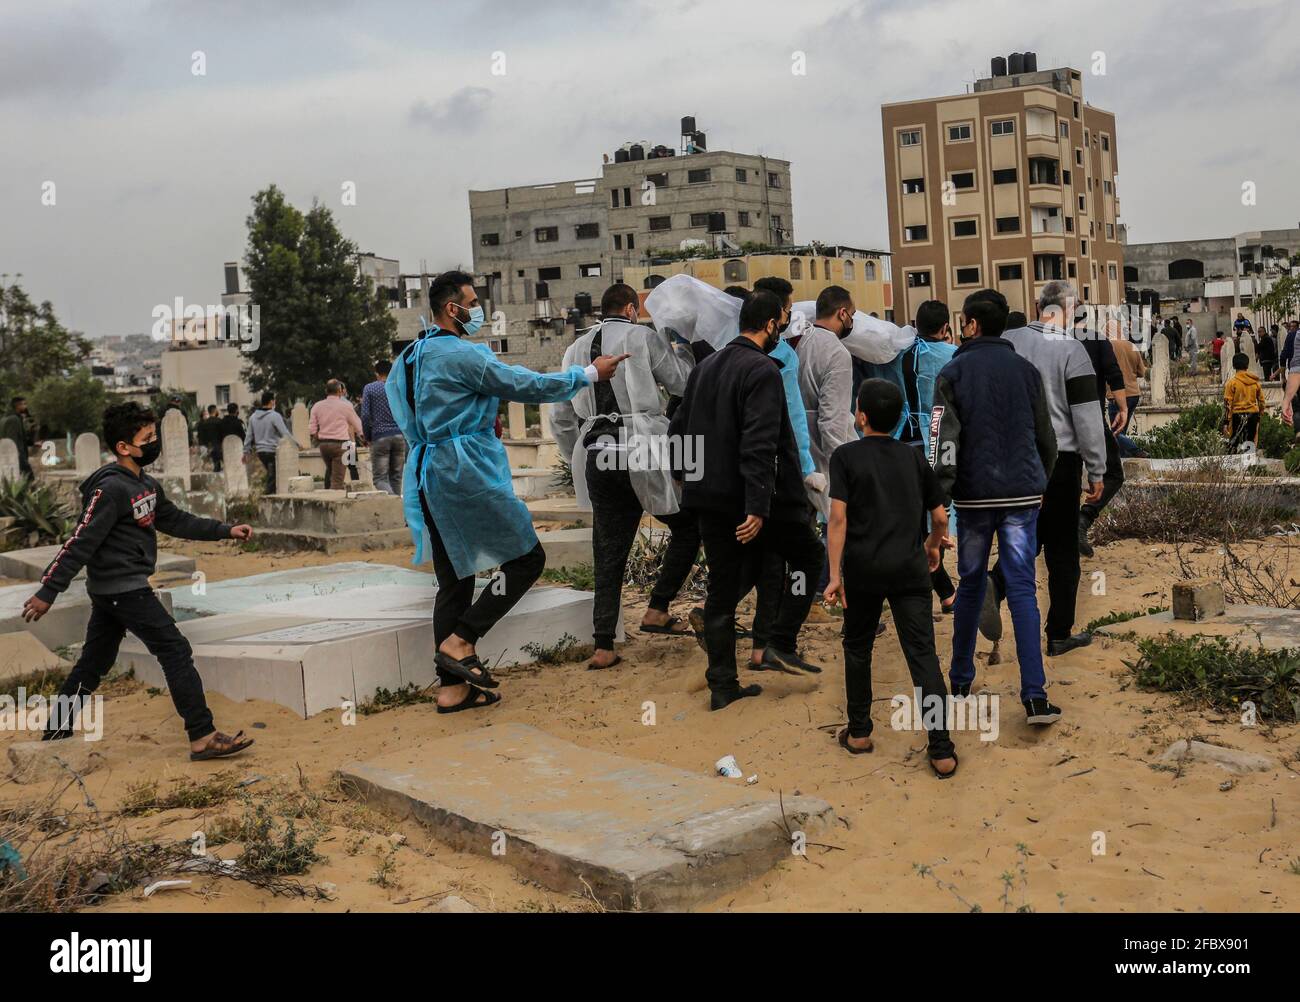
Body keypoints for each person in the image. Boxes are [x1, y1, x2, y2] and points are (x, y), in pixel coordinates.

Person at [386, 270, 627, 713]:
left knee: (454, 579)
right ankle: (462, 641)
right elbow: (524, 384)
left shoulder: (412, 356)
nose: (477, 309)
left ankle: (451, 689)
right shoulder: (462, 355)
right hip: (465, 473)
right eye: (472, 301)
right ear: (452, 308)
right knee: (527, 558)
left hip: (428, 474)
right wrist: (589, 373)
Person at [22, 402, 255, 760]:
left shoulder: (145, 484)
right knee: (175, 650)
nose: (153, 443)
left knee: (93, 664)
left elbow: (177, 521)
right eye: (147, 438)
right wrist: (48, 590)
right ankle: (202, 735)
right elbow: (81, 541)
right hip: (124, 590)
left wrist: (225, 530)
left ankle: (55, 735)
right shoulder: (111, 490)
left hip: (117, 592)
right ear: (123, 447)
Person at [668, 290, 825, 709]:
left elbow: (677, 430)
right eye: (783, 321)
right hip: (753, 502)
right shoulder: (761, 370)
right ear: (771, 324)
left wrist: (686, 480)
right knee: (809, 558)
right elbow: (760, 443)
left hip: (709, 500)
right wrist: (757, 507)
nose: (784, 328)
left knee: (725, 587)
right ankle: (779, 641)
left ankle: (723, 685)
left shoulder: (704, 368)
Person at [930, 289, 1062, 725]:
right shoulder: (1026, 372)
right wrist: (1038, 480)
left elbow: (941, 442)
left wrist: (939, 498)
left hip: (972, 498)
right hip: (1022, 496)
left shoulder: (952, 372)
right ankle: (1035, 696)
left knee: (969, 584)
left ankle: (961, 681)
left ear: (970, 324)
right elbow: (1048, 438)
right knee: (1023, 588)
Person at [551, 283, 697, 668]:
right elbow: (682, 383)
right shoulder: (642, 337)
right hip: (641, 445)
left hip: (597, 448)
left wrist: (575, 457)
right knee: (687, 525)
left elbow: (560, 417)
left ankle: (603, 645)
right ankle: (658, 608)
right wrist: (683, 351)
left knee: (608, 547)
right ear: (632, 309)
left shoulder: (574, 348)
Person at [823, 378, 957, 777]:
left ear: (860, 415)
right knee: (923, 658)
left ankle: (860, 732)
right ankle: (942, 750)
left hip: (864, 570)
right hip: (909, 569)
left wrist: (834, 575)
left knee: (858, 647)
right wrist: (933, 546)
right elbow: (939, 517)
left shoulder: (844, 458)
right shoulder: (914, 458)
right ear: (900, 418)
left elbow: (838, 519)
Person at [990, 281, 1106, 657]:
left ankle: (993, 585)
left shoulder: (1007, 341)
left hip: (1009, 457)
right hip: (1059, 459)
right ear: (1070, 311)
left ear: (1039, 305)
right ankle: (1058, 633)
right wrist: (1097, 469)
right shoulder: (1072, 350)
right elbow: (1087, 416)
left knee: (1026, 535)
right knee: (1061, 549)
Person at [1071, 306, 1126, 558]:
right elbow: (1114, 375)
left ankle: (1060, 532)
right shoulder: (1097, 340)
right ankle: (1083, 520)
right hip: (1092, 416)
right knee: (1113, 473)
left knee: (1064, 477)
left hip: (1058, 422)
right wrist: (1122, 407)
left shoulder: (1054, 340)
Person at [361, 359, 406, 495]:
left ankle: (394, 500)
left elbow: (365, 415)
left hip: (380, 435)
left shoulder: (370, 388)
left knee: (380, 479)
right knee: (396, 477)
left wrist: (367, 436)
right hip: (400, 435)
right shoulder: (399, 387)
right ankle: (398, 510)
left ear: (377, 373)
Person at [309, 379, 362, 490]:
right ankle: (340, 496)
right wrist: (364, 437)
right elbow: (357, 425)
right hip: (344, 443)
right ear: (340, 391)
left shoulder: (317, 406)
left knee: (331, 471)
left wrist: (317, 436)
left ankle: (328, 491)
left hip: (325, 444)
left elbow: (312, 429)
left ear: (326, 391)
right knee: (343, 474)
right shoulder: (346, 405)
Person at [244, 391, 291, 493]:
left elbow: (248, 436)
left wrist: (246, 451)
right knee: (273, 476)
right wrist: (296, 444)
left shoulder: (253, 417)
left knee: (273, 474)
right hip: (273, 450)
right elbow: (285, 433)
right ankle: (268, 497)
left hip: (261, 452)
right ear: (271, 401)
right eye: (274, 400)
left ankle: (270, 494)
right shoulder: (275, 416)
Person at [1224, 352, 1264, 451]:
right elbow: (1261, 401)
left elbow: (1227, 404)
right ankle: (1249, 464)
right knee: (1250, 442)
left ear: (1233, 366)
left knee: (1234, 442)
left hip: (1237, 415)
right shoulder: (1255, 383)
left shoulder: (1231, 383)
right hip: (1253, 415)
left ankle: (1232, 464)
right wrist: (1259, 415)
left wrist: (1226, 422)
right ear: (1247, 365)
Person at [0, 396, 35, 480]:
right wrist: (22, 461)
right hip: (16, 458)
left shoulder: (4, 418)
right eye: (24, 404)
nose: (26, 407)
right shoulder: (14, 419)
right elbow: (13, 441)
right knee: (29, 480)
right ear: (18, 405)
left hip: (6, 458)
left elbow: (18, 437)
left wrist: (32, 443)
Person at [197, 405, 224, 472]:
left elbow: (202, 436)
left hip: (210, 446)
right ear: (215, 411)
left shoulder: (205, 423)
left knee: (215, 465)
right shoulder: (220, 421)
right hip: (219, 445)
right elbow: (223, 433)